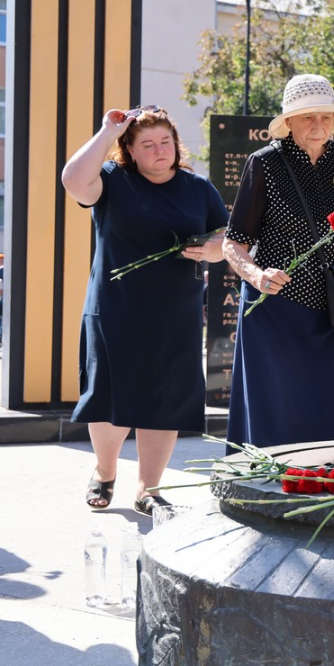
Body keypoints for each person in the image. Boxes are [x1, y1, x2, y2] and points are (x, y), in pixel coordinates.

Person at [62, 106, 229, 515]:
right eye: (148, 145)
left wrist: (212, 251)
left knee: (165, 399)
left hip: (176, 313)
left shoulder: (197, 187)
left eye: (165, 142)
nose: (159, 151)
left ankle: (148, 489)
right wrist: (107, 131)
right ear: (131, 152)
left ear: (176, 143)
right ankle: (104, 471)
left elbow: (227, 236)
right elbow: (72, 181)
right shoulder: (113, 181)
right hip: (115, 309)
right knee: (110, 396)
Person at [223, 74, 334, 450]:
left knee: (330, 409)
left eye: (325, 117)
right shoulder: (265, 164)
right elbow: (233, 243)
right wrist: (256, 275)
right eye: (308, 118)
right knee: (272, 411)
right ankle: (266, 488)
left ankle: (326, 490)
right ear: (289, 121)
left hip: (332, 313)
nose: (318, 127)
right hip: (274, 310)